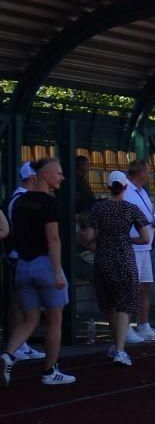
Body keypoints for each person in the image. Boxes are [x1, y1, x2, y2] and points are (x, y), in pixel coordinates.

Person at [1, 157, 76, 386]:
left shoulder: (19, 202)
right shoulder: (49, 203)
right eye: (58, 173)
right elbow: (53, 239)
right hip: (45, 265)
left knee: (30, 319)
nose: (62, 177)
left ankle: (8, 354)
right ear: (45, 175)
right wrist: (57, 272)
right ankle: (50, 370)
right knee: (55, 319)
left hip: (23, 265)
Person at [81, 171, 151, 367]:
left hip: (103, 259)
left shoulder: (98, 207)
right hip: (125, 259)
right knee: (124, 304)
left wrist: (101, 241)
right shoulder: (131, 208)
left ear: (108, 187)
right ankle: (120, 349)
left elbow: (88, 238)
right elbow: (146, 238)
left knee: (110, 304)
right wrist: (127, 239)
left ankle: (116, 344)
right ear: (125, 187)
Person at [4, 162, 48, 364]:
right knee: (17, 302)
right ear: (32, 178)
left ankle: (22, 344)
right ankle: (17, 346)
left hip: (22, 254)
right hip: (17, 255)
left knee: (22, 302)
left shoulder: (23, 198)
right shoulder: (19, 199)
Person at [125, 159, 155, 342]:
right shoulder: (126, 191)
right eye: (147, 171)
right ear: (140, 172)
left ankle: (144, 325)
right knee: (131, 288)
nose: (149, 174)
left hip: (145, 246)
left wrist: (154, 222)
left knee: (145, 286)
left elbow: (145, 217)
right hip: (133, 247)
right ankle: (126, 328)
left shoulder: (142, 191)